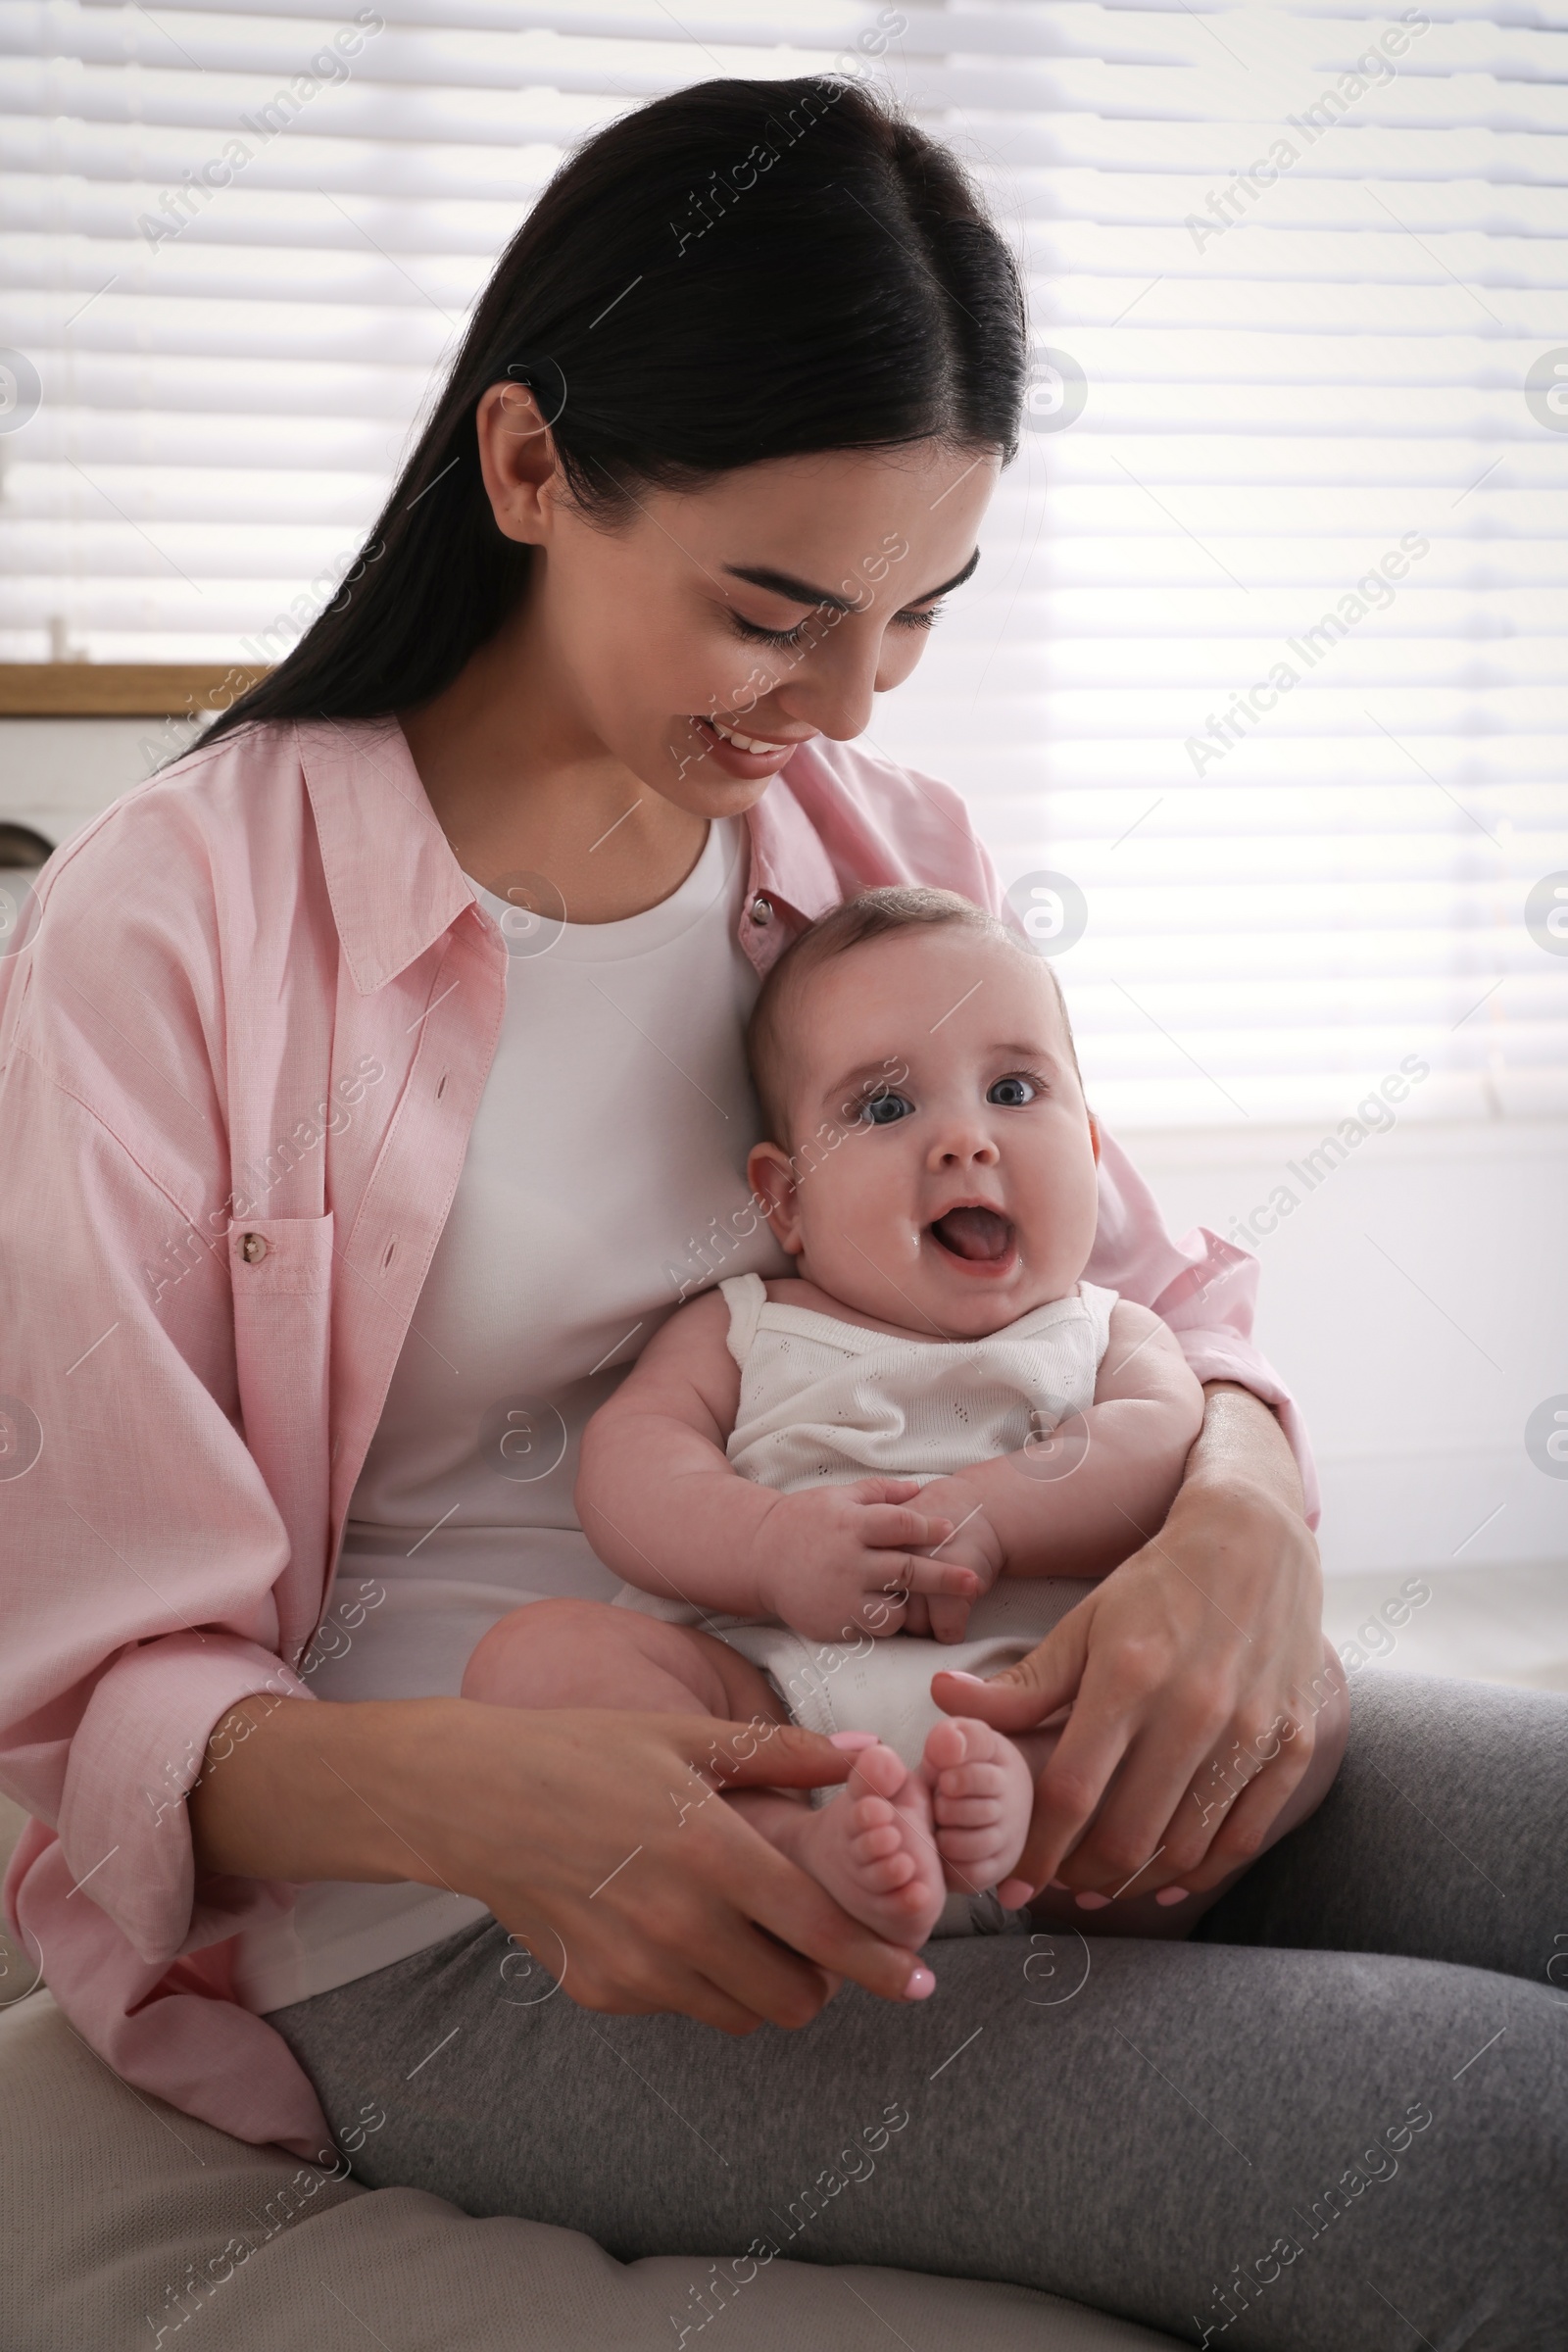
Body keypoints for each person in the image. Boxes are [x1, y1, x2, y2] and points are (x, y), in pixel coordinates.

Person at [1, 73, 1562, 2349]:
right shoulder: (181, 922)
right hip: (464, 1911)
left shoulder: (852, 829)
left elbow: (1134, 1277)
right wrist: (482, 1805)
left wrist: (1238, 1503)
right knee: (1497, 2147)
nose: (840, 698)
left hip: (985, 1723)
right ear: (528, 469)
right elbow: (77, 1675)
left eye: (915, 610)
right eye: (773, 610)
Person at [463, 887, 1348, 1949]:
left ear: (1094, 1152)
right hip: (771, 1707)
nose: (963, 1141)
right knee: (533, 1662)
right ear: (784, 1201)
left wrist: (997, 1515)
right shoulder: (747, 1322)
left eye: (1014, 1089)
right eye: (884, 1109)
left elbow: (1154, 1443)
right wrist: (767, 1544)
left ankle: (1039, 1834)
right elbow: (631, 1466)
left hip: (1054, 1707)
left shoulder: (1109, 1330)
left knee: (1313, 1690)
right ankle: (786, 1849)